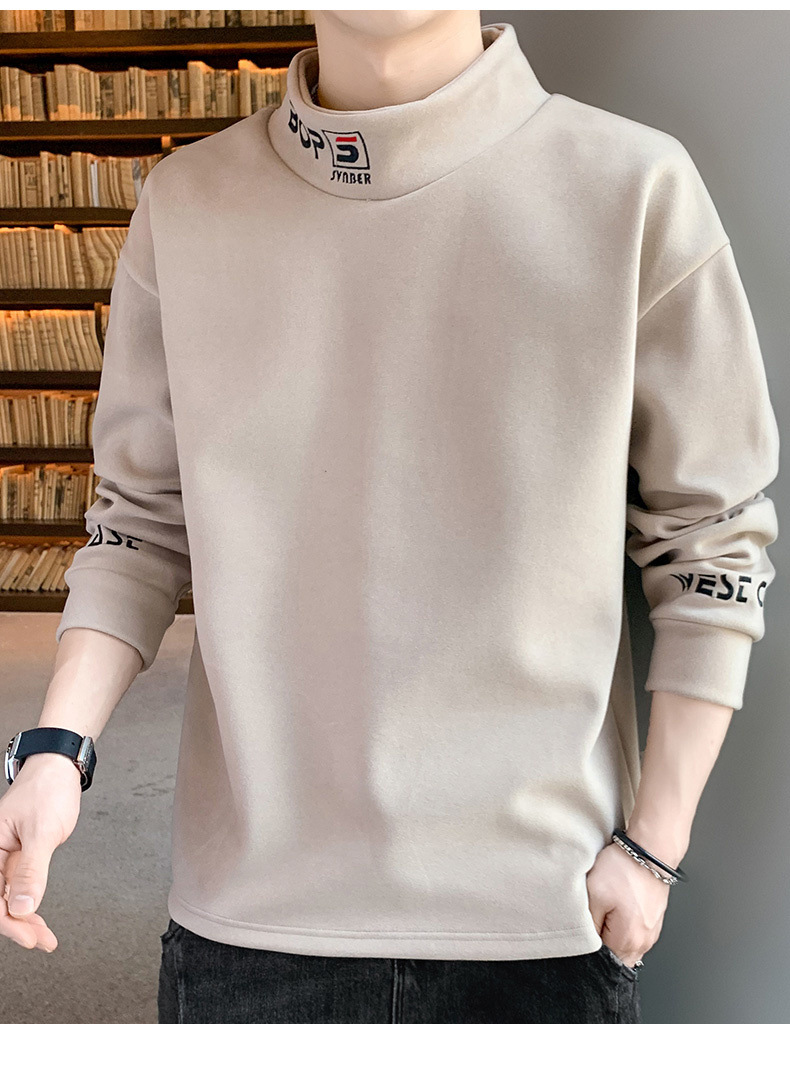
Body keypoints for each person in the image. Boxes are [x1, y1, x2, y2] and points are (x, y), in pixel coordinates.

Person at [0, 11, 780, 1024]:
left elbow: (714, 537)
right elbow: (138, 523)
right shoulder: (185, 205)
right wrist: (55, 749)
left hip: (544, 917)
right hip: (248, 920)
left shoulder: (632, 187)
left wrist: (654, 850)